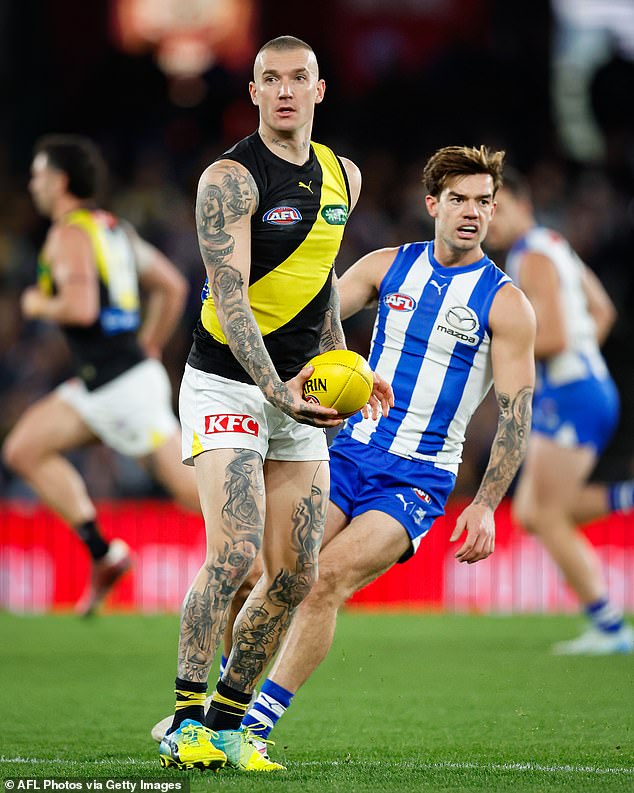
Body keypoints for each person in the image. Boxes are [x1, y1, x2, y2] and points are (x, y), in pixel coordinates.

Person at [152, 144, 537, 759]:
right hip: (349, 450)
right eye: (459, 199)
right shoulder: (388, 267)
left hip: (418, 476)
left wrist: (487, 503)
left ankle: (250, 729)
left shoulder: (507, 303)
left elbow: (517, 412)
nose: (472, 212)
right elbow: (313, 308)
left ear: (494, 212)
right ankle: (218, 709)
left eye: (484, 202)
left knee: (324, 580)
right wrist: (273, 366)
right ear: (433, 204)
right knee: (271, 575)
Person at [158, 35, 391, 774]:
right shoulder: (228, 179)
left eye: (298, 78)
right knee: (232, 552)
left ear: (320, 91)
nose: (285, 90)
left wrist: (346, 364)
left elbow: (318, 281)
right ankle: (184, 718)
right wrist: (272, 388)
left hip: (297, 390)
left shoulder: (341, 176)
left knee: (294, 574)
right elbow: (229, 296)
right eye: (270, 79)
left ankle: (229, 723)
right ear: (254, 92)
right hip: (227, 380)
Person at [2, 134, 199, 616]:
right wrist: (150, 343)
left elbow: (80, 306)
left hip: (123, 388)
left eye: (40, 175)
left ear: (61, 180)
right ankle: (103, 554)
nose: (33, 185)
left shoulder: (68, 233)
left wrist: (35, 301)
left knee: (196, 494)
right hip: (105, 381)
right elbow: (171, 285)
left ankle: (277, 557)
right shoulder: (113, 228)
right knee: (24, 448)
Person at [485, 170, 634, 655]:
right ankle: (625, 497)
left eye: (496, 206)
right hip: (587, 387)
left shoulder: (529, 255)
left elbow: (551, 339)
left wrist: (489, 349)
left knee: (543, 513)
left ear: (524, 204)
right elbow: (604, 312)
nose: (489, 219)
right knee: (535, 511)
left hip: (572, 394)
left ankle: (611, 628)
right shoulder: (555, 244)